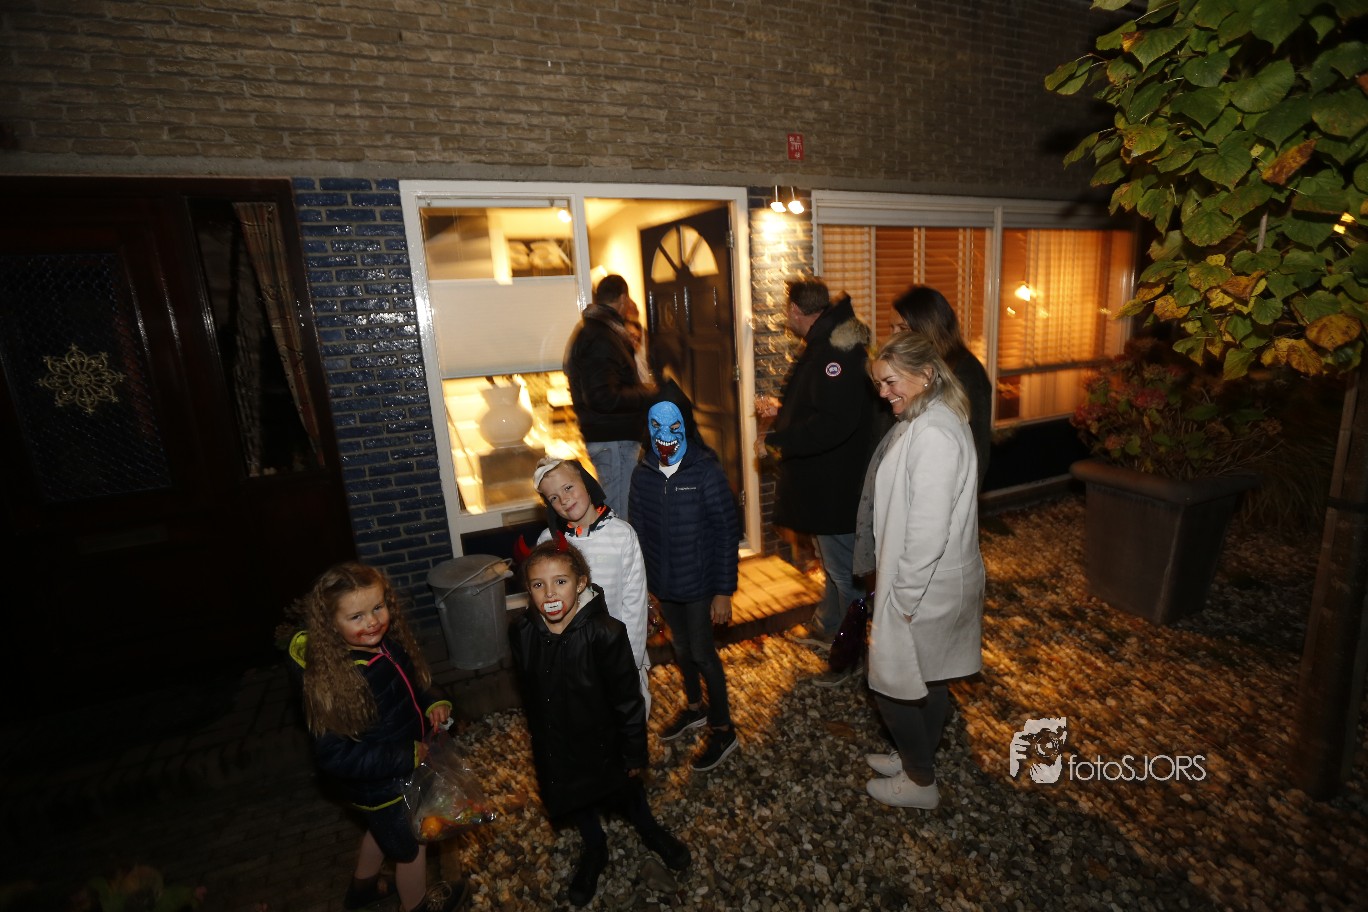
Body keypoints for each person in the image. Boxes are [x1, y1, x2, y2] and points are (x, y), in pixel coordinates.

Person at [508, 540, 690, 907]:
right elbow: (528, 690)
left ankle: (649, 830)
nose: (549, 593)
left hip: (605, 743)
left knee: (626, 792)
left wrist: (634, 751)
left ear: (580, 583)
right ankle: (595, 847)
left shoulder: (606, 632)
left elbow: (627, 699)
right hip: (558, 743)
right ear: (528, 589)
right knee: (577, 799)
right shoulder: (522, 632)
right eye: (539, 584)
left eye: (560, 582)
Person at [285, 562, 470, 912]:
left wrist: (435, 703)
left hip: (395, 780)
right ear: (330, 624)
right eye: (356, 616)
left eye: (378, 607)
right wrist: (404, 756)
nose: (372, 622)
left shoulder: (385, 647)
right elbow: (335, 755)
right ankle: (416, 905)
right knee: (412, 847)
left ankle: (363, 889)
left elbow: (413, 688)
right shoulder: (337, 681)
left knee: (380, 833)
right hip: (383, 788)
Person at [862, 332, 985, 810]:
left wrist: (903, 597)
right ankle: (918, 758)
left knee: (892, 685)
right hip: (932, 584)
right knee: (931, 677)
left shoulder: (934, 432)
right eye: (879, 383)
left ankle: (920, 780)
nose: (883, 393)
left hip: (924, 586)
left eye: (890, 381)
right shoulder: (929, 418)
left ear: (926, 375)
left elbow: (928, 531)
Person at [755, 278, 881, 645]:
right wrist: (785, 411)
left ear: (795, 310)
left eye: (787, 310)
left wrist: (778, 441)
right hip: (827, 483)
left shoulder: (835, 353)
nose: (786, 316)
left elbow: (834, 423)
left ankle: (852, 650)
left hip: (835, 487)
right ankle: (829, 627)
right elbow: (822, 405)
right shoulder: (826, 343)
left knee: (843, 573)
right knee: (833, 565)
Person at [630, 391, 740, 772]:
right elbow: (638, 532)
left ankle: (723, 727)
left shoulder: (705, 472)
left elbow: (727, 531)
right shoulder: (643, 473)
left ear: (687, 427)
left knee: (703, 653)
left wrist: (723, 590)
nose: (664, 435)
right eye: (655, 426)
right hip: (665, 583)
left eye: (673, 425)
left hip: (700, 584)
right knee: (680, 647)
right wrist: (644, 585)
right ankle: (695, 707)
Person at [533, 455, 652, 717]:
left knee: (624, 723)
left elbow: (634, 605)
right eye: (554, 498)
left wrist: (629, 662)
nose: (564, 500)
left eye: (568, 487)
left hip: (618, 654)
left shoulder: (622, 535)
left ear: (586, 483)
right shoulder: (548, 542)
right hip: (572, 663)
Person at [563, 274, 658, 520]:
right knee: (619, 514)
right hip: (613, 440)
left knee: (620, 510)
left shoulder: (595, 331)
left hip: (611, 438)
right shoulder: (600, 336)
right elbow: (603, 397)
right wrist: (647, 392)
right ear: (623, 299)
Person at [891, 285, 992, 483]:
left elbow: (976, 449)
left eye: (902, 328)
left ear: (928, 328)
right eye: (891, 328)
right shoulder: (912, 367)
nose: (894, 336)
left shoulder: (965, 373)